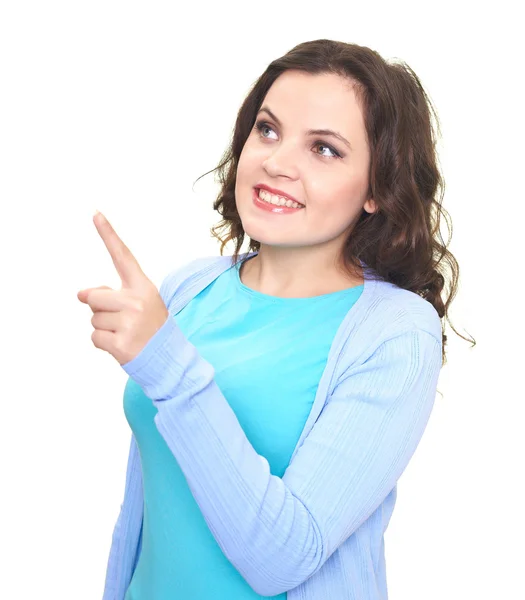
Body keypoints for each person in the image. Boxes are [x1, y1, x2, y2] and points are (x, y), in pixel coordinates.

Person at [99, 39, 474, 599]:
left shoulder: (395, 334)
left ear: (377, 188)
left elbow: (283, 557)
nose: (276, 162)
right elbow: (148, 512)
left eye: (324, 149)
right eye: (268, 130)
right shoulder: (189, 289)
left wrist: (169, 367)